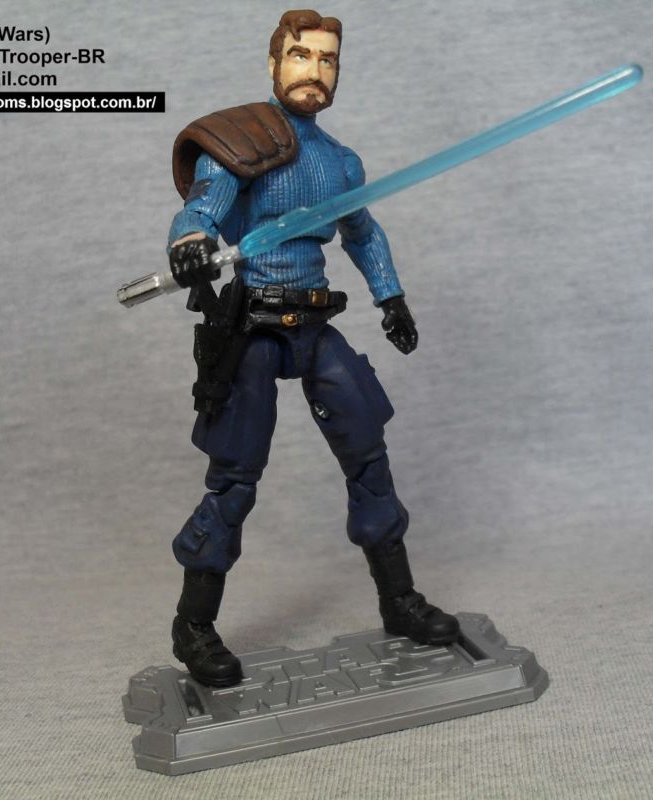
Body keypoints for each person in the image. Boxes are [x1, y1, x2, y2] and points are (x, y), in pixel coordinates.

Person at [166, 9, 459, 688]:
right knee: (234, 477)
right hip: (254, 328)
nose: (315, 71)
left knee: (368, 454)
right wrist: (190, 242)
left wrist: (390, 296)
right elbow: (202, 207)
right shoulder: (241, 141)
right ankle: (193, 624)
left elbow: (362, 232)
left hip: (315, 325)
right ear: (274, 64)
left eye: (328, 60)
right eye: (301, 55)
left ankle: (398, 600)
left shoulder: (341, 161)